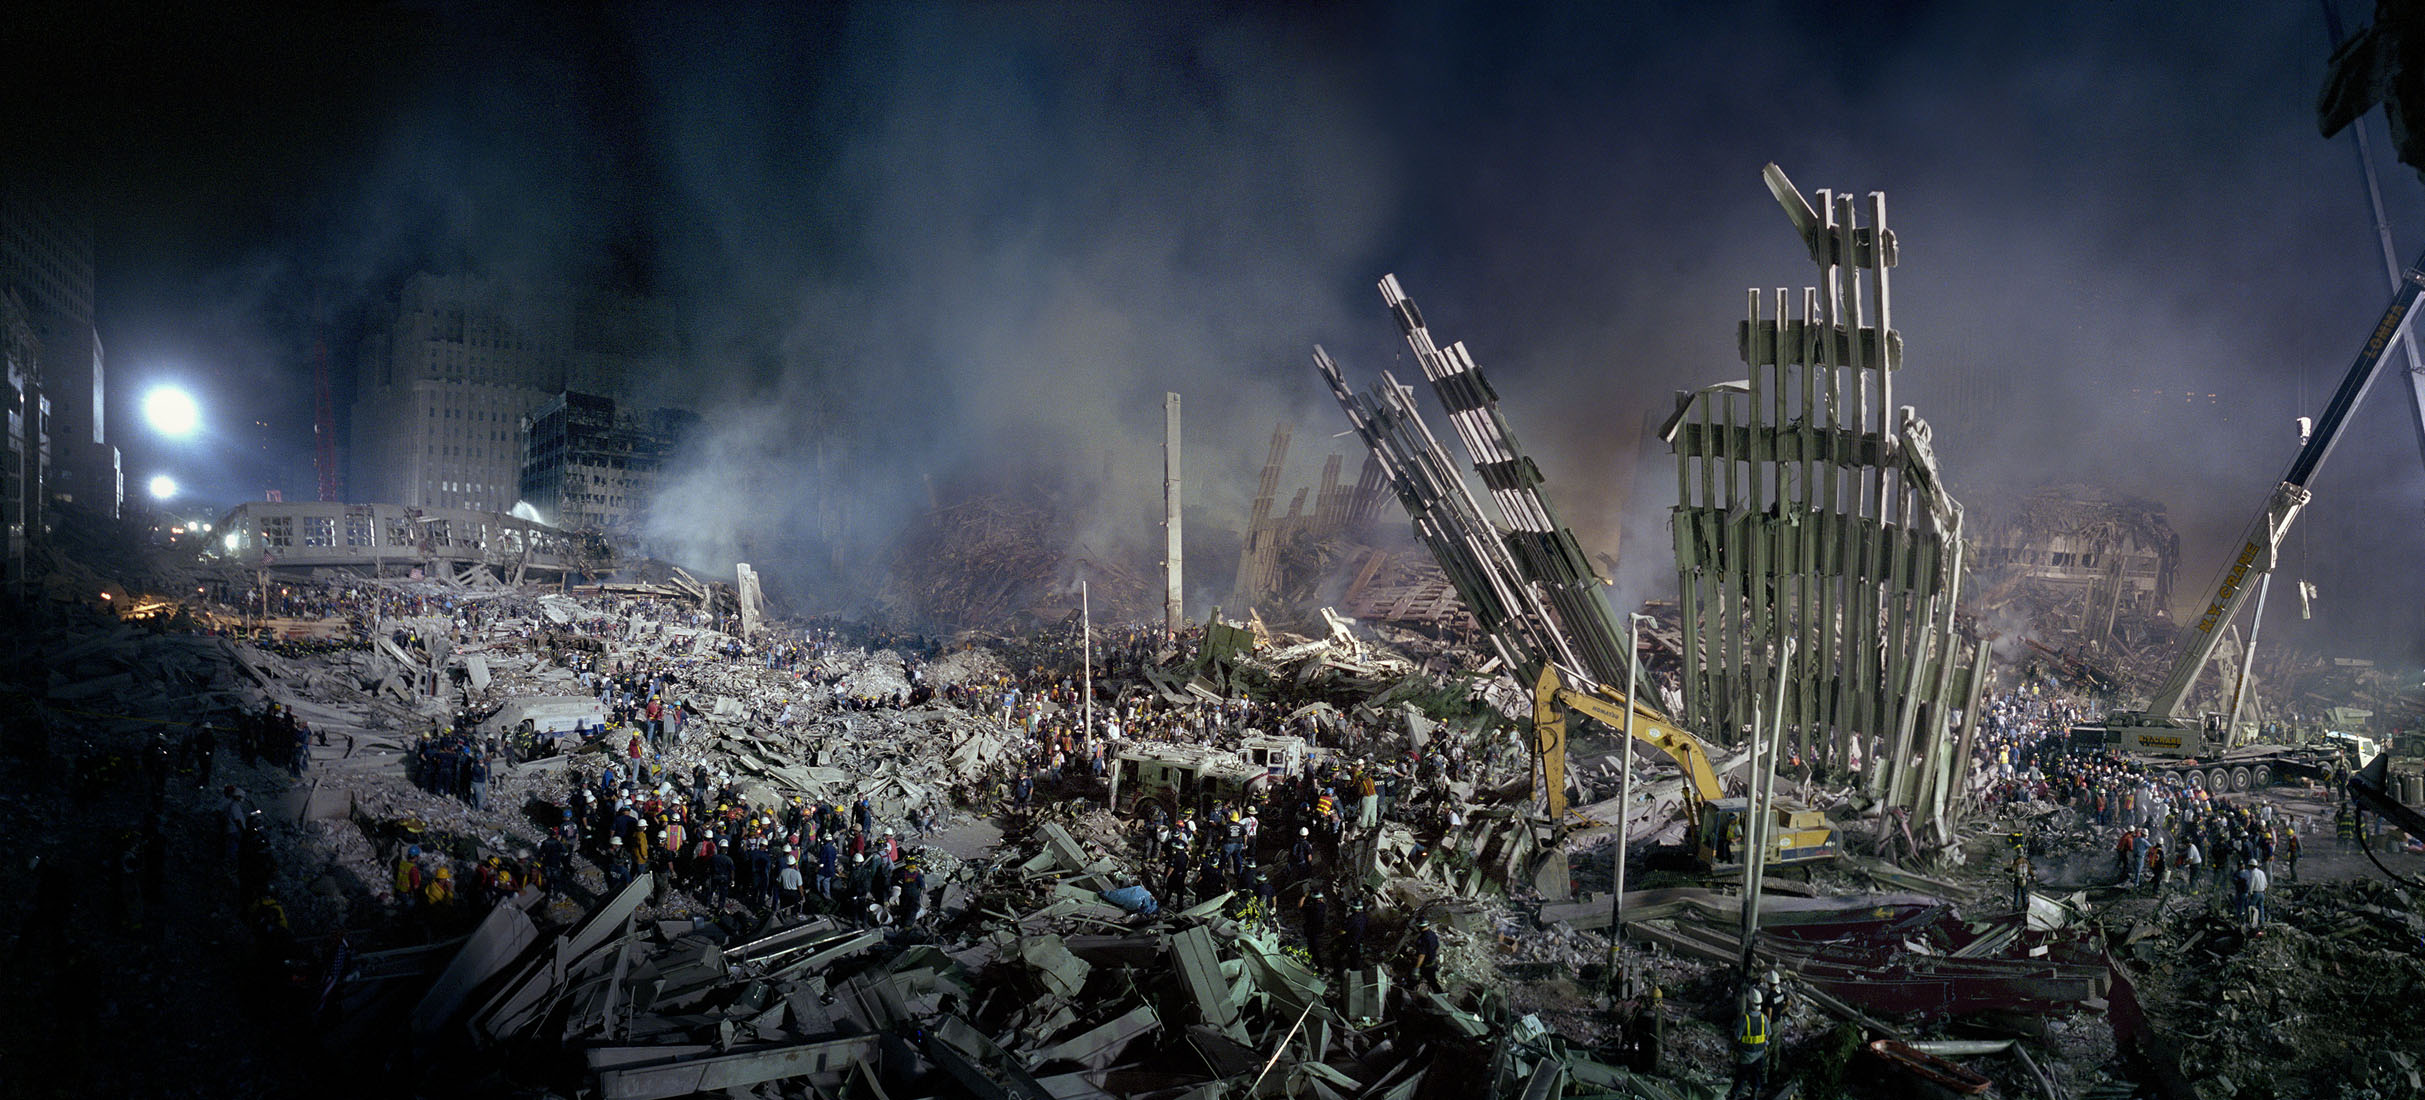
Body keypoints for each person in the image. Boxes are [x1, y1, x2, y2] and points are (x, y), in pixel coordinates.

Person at [1731, 988, 1769, 1100]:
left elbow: (1736, 1037)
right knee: (1756, 1079)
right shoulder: (1764, 1018)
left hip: (1746, 1056)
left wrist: (1733, 1048)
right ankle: (1754, 1097)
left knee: (1740, 1079)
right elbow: (1767, 1035)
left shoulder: (1745, 1019)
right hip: (1759, 1055)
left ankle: (1734, 1096)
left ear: (1750, 1002)